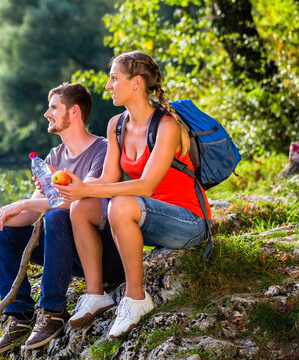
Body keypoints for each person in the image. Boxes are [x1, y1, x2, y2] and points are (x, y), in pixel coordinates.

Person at [53, 51, 210, 338]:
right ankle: (95, 294)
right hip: (149, 217)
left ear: (136, 82)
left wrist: (87, 189)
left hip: (188, 221)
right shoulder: (117, 126)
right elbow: (108, 180)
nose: (108, 85)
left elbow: (146, 186)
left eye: (114, 78)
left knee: (120, 205)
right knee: (82, 208)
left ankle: (137, 299)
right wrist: (77, 188)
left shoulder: (167, 125)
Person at [0, 82, 124, 353]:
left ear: (74, 112)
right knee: (1, 232)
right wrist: (3, 215)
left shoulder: (103, 150)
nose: (47, 114)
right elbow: (35, 209)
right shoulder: (54, 156)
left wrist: (23, 202)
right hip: (69, 252)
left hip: (106, 255)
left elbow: (78, 199)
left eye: (53, 108)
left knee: (58, 216)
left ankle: (53, 311)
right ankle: (20, 316)